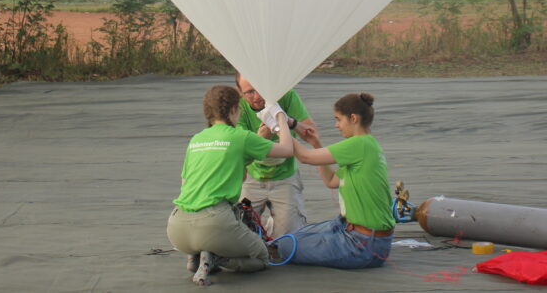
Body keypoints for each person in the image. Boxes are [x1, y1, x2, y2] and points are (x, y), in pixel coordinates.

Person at [167, 84, 293, 286]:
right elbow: (287, 149)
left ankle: (196, 255)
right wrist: (280, 117)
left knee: (209, 229)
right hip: (214, 223)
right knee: (262, 257)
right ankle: (217, 258)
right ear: (234, 109)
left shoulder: (196, 139)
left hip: (177, 227)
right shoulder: (240, 137)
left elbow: (186, 183)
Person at [273, 92, 395, 269]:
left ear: (353, 118)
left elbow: (305, 157)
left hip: (363, 244)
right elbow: (331, 180)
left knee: (286, 247)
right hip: (358, 233)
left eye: (338, 119)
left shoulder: (359, 144)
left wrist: (278, 125)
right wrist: (316, 143)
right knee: (290, 237)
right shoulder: (367, 146)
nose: (336, 125)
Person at [234, 73, 317, 236]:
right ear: (240, 92)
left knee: (288, 241)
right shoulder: (239, 106)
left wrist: (289, 121)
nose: (257, 97)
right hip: (253, 176)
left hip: (284, 176)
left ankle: (277, 224)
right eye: (249, 92)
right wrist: (260, 139)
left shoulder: (286, 96)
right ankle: (269, 229)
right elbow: (239, 148)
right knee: (238, 230)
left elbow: (311, 133)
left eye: (260, 90)